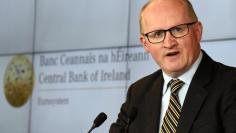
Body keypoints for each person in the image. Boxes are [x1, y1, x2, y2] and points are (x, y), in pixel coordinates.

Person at [109, 0, 236, 133]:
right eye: (157, 34)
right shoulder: (138, 92)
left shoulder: (231, 84)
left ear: (198, 32)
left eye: (178, 29)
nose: (169, 43)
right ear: (145, 44)